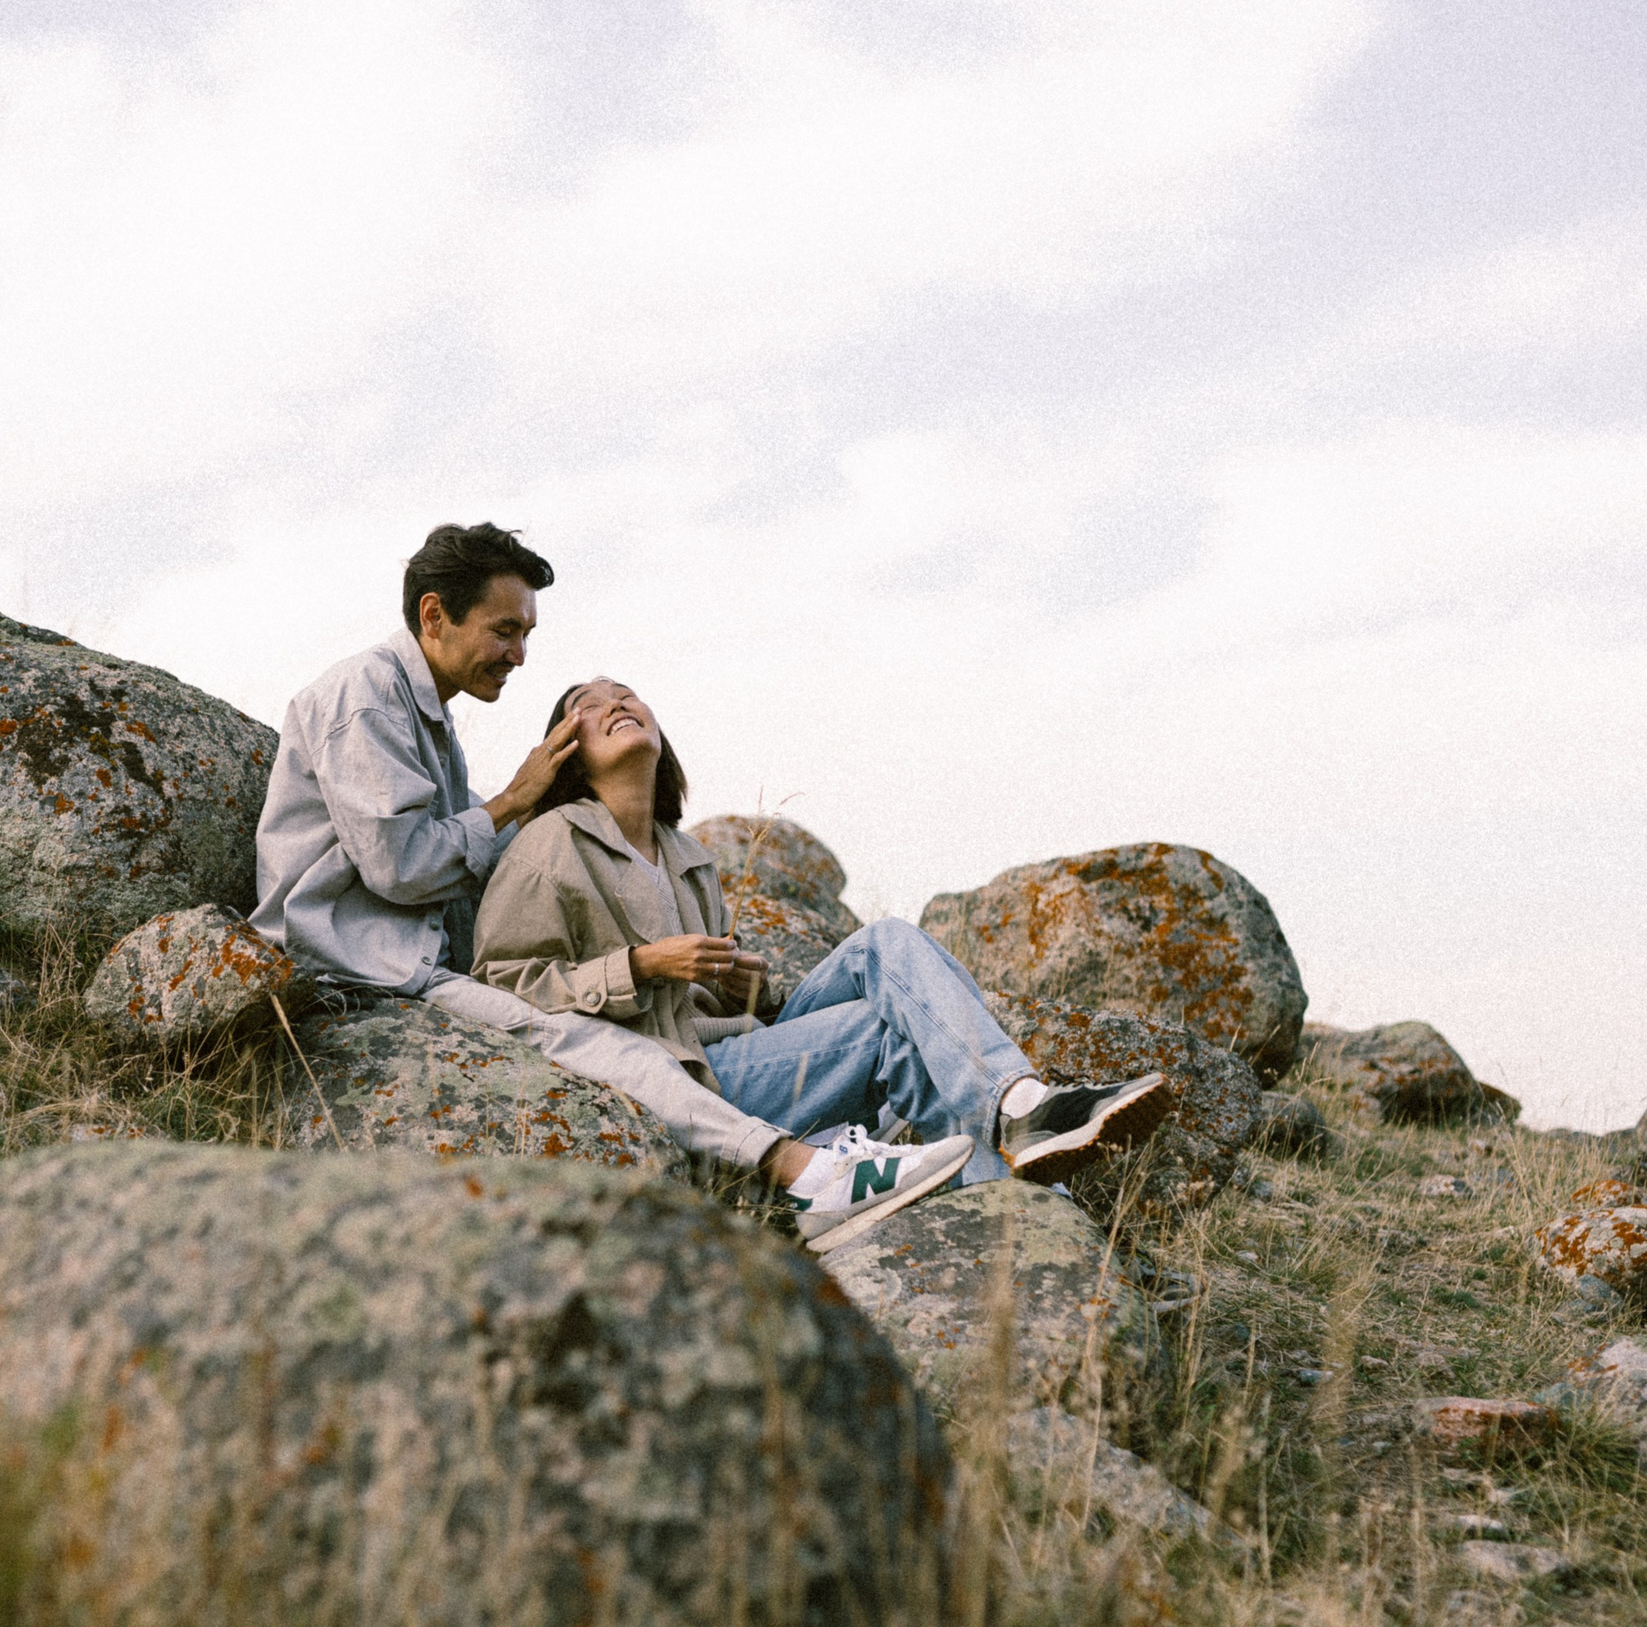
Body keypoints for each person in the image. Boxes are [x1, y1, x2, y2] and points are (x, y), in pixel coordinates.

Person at [251, 523, 865, 1205]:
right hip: (355, 963)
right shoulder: (363, 695)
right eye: (504, 630)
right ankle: (798, 1168)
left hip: (404, 959)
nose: (517, 654)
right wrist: (517, 800)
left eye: (526, 636)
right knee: (587, 1040)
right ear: (434, 615)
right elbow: (400, 867)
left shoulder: (427, 713)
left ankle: (832, 1149)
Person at [469, 675, 1173, 1251]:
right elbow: (503, 984)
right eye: (586, 706)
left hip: (733, 1047)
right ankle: (1043, 1197)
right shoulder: (550, 843)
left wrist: (743, 989)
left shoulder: (687, 857)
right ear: (565, 751)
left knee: (887, 941)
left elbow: (720, 1009)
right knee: (881, 1034)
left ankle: (1021, 1109)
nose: (615, 702)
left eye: (627, 692)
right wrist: (642, 964)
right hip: (683, 1080)